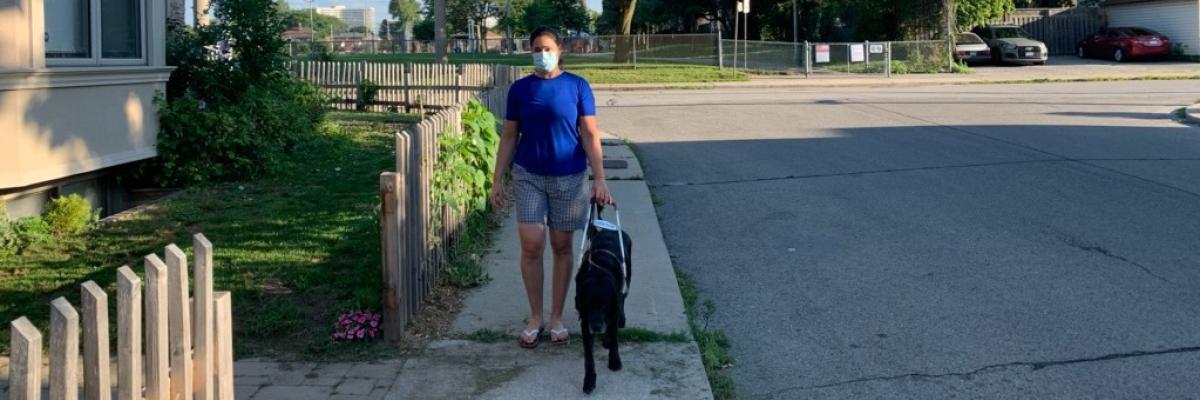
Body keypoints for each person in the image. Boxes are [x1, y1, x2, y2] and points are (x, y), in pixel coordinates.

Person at [489, 27, 614, 349]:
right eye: (535, 48)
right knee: (531, 245)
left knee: (561, 246)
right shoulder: (520, 90)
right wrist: (497, 178)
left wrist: (599, 179)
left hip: (569, 177)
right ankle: (535, 317)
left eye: (546, 47)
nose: (541, 53)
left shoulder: (577, 86)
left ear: (559, 50)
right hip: (529, 175)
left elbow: (590, 134)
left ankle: (557, 316)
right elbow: (508, 136)